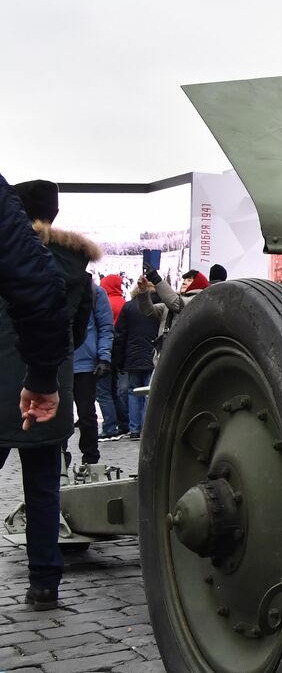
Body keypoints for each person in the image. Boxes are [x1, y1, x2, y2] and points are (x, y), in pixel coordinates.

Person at [2, 177, 98, 610]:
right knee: (44, 489)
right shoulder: (77, 268)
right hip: (49, 388)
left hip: (2, 386)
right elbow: (75, 335)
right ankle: (44, 583)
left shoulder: (10, 254)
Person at [69, 280, 113, 472]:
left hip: (85, 364)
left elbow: (105, 327)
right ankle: (59, 459)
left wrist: (104, 357)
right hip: (58, 362)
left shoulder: (96, 293)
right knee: (57, 417)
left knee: (86, 414)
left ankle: (91, 459)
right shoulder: (53, 287)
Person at [113, 283, 161, 440]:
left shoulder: (128, 307)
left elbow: (120, 334)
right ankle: (146, 428)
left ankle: (134, 429)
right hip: (152, 354)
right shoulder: (159, 306)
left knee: (133, 392)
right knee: (149, 393)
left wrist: (119, 359)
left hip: (132, 356)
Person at [96, 274, 128, 438]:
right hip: (119, 353)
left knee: (103, 392)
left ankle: (109, 427)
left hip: (105, 352)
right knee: (114, 391)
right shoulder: (123, 302)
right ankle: (123, 423)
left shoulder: (105, 302)